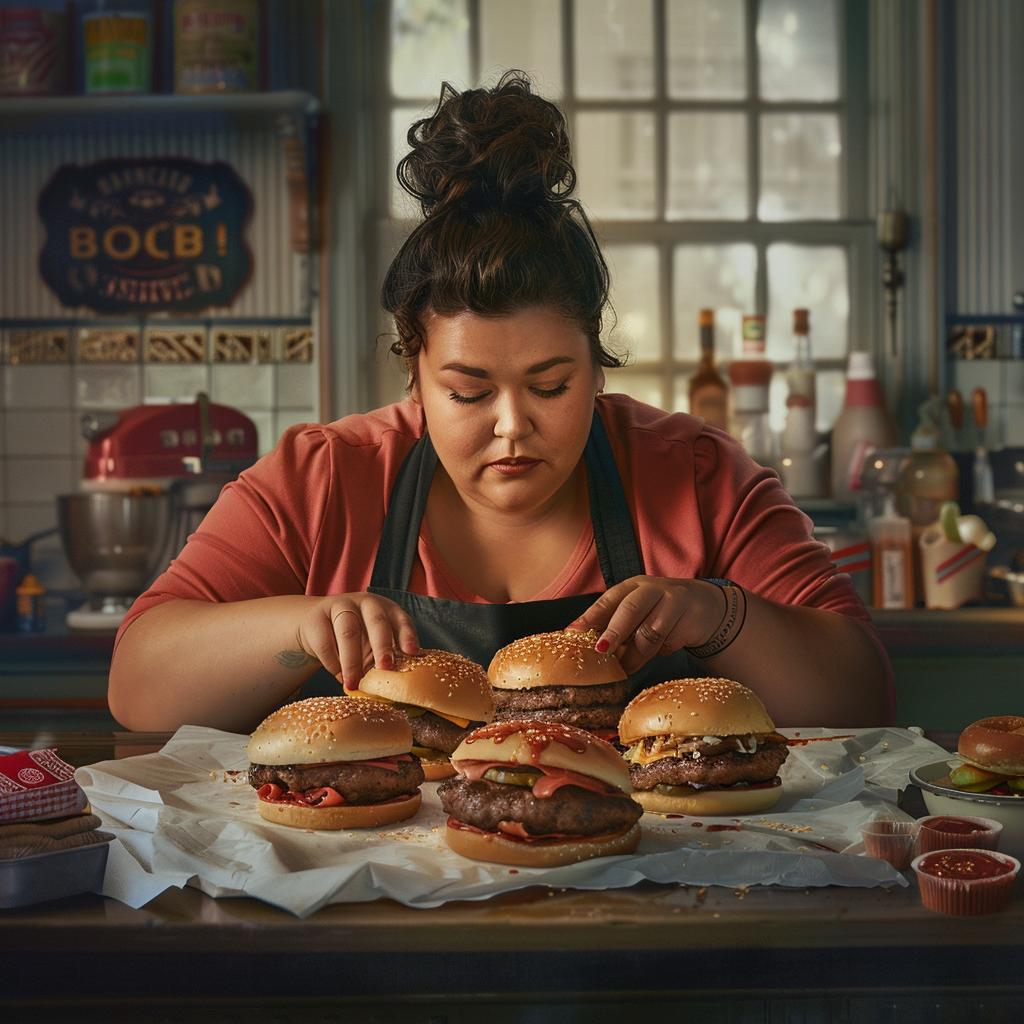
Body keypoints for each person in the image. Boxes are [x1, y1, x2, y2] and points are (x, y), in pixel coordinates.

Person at [107, 71, 895, 736]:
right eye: (466, 392)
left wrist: (719, 615)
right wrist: (298, 625)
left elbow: (864, 698)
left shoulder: (697, 476)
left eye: (551, 386)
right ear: (412, 376)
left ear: (598, 367)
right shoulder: (321, 479)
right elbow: (137, 687)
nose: (513, 425)